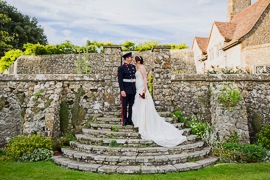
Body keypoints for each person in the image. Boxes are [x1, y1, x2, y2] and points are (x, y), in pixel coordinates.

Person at [132, 56, 187, 147]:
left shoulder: (142, 67)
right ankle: (139, 122)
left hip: (142, 89)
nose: (133, 61)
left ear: (138, 61)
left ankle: (144, 124)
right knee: (138, 106)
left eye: (135, 60)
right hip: (138, 88)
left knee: (143, 106)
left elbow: (145, 78)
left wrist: (144, 90)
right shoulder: (137, 68)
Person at [118, 52, 136, 126]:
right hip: (125, 89)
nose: (131, 58)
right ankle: (124, 120)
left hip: (132, 89)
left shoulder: (133, 67)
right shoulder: (121, 68)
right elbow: (120, 80)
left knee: (132, 105)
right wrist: (122, 90)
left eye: (131, 57)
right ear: (126, 58)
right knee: (124, 106)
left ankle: (130, 119)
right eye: (130, 57)